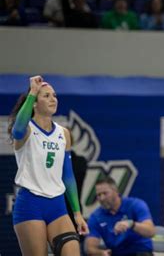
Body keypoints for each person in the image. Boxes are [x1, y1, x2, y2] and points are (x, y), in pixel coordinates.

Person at [7, 75, 88, 255]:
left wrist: (77, 213)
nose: (53, 99)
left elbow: (67, 175)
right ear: (34, 103)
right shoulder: (26, 129)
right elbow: (17, 130)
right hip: (30, 204)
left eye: (54, 95)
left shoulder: (63, 133)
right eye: (46, 96)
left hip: (57, 205)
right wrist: (33, 92)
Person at [85, 176, 156, 256]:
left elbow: (151, 231)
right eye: (98, 195)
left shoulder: (135, 205)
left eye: (105, 193)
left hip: (141, 252)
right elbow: (90, 248)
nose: (101, 198)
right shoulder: (95, 217)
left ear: (116, 191)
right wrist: (101, 253)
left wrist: (132, 224)